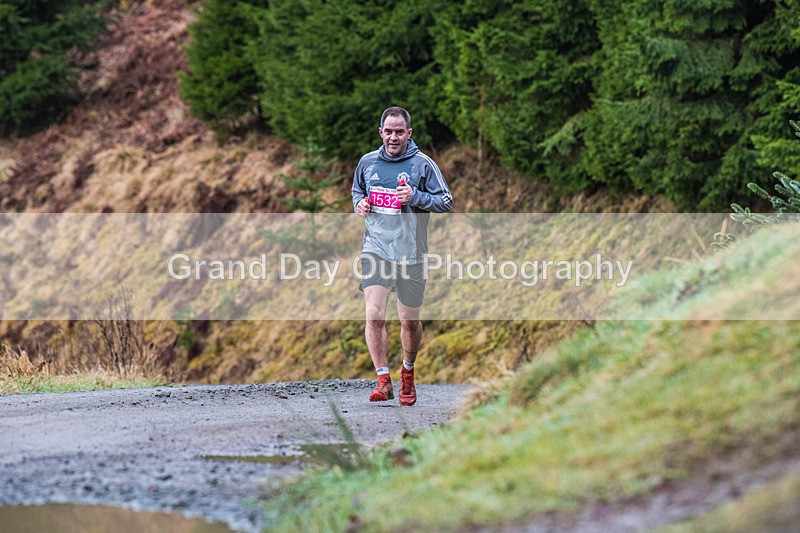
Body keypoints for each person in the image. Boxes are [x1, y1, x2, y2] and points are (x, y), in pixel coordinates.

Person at [351, 106, 453, 406]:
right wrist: (361, 204)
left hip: (411, 253)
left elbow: (446, 201)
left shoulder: (423, 165)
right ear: (380, 132)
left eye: (399, 132)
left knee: (408, 321)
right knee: (374, 314)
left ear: (409, 134)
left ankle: (407, 373)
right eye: (389, 131)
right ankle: (383, 380)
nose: (393, 137)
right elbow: (357, 190)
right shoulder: (367, 162)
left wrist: (416, 197)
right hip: (376, 248)